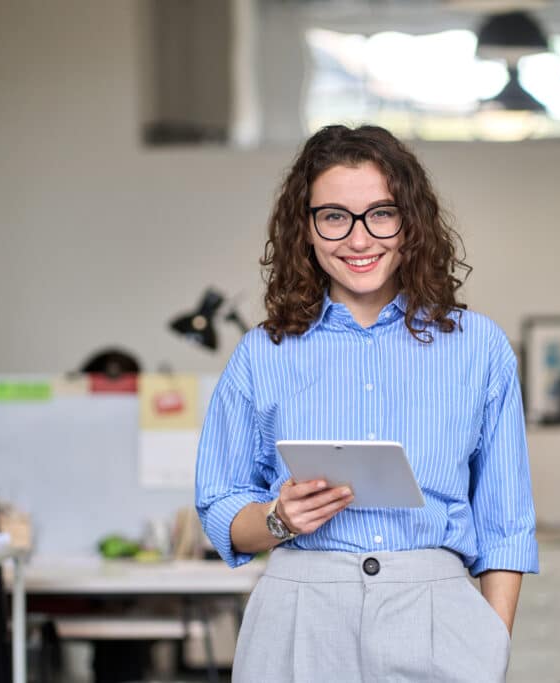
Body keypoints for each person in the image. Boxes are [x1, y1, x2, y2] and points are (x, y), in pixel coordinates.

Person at [195, 124, 538, 682]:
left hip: (438, 612)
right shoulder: (262, 353)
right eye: (334, 216)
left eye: (381, 213)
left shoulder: (479, 347)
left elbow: (506, 524)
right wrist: (278, 521)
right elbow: (219, 509)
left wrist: (489, 644)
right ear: (304, 228)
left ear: (411, 223)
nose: (358, 239)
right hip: (299, 615)